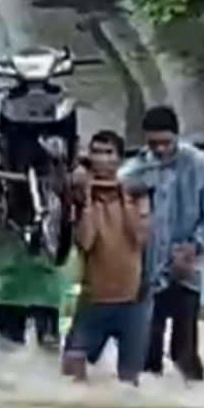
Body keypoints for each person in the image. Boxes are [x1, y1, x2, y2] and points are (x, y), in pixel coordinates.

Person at [119, 106, 204, 382]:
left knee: (184, 351)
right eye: (153, 143)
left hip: (188, 270)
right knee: (147, 350)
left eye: (165, 143)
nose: (159, 149)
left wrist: (195, 246)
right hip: (148, 271)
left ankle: (194, 402)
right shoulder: (134, 171)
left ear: (177, 138)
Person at [61, 131, 153, 384]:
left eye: (109, 153)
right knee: (71, 370)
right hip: (94, 299)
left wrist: (124, 198)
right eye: (97, 152)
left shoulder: (137, 192)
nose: (102, 159)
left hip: (132, 301)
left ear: (120, 159)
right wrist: (88, 199)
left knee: (129, 381)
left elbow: (140, 237)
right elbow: (86, 242)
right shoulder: (80, 197)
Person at [0, 224, 71, 350]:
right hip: (44, 291)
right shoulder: (56, 207)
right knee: (47, 355)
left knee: (8, 354)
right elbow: (65, 249)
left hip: (12, 289)